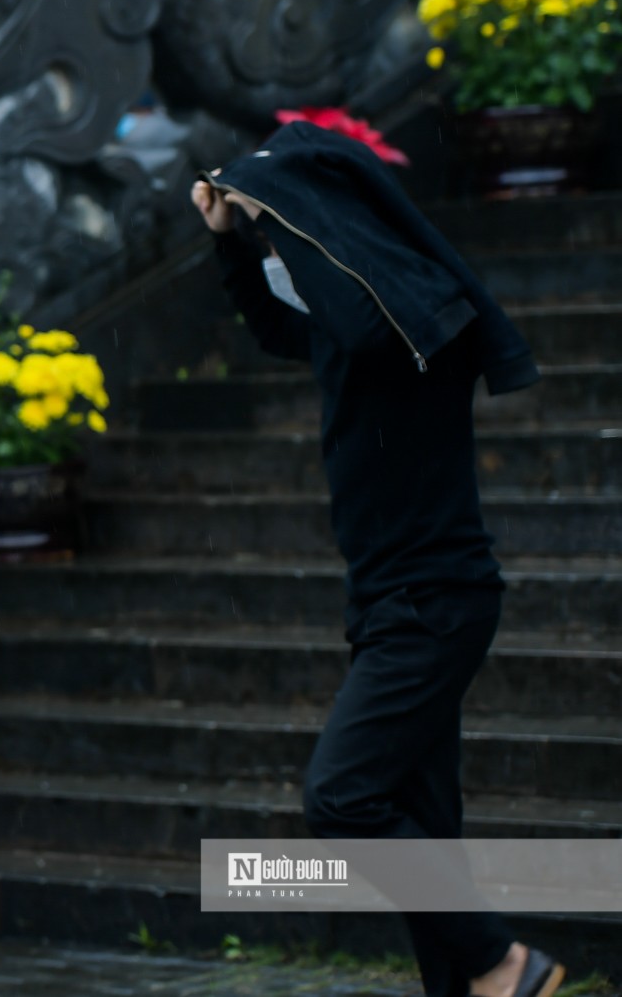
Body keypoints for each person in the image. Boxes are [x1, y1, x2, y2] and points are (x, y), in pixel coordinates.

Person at [194, 120, 563, 997]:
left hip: (433, 602)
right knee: (427, 823)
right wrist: (234, 241)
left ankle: (504, 962)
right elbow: (280, 329)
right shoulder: (352, 318)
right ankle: (470, 984)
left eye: (291, 220)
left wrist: (275, 212)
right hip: (393, 601)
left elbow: (354, 319)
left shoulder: (411, 309)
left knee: (342, 796)